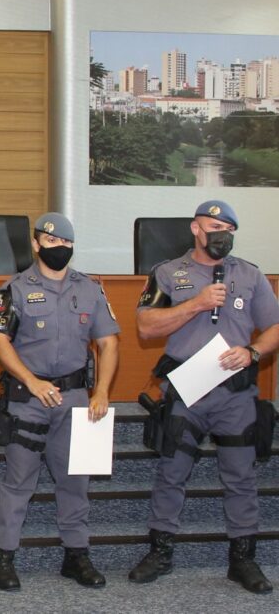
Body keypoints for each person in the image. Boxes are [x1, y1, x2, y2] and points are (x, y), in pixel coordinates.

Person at [130, 200, 279, 594]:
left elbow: (274, 327)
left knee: (241, 477)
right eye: (214, 226)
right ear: (196, 228)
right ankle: (160, 552)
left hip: (235, 394)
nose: (221, 235)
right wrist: (196, 303)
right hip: (186, 392)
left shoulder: (249, 275)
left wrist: (253, 352)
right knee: (171, 473)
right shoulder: (166, 273)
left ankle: (242, 560)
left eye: (228, 229)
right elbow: (146, 326)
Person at [0, 212, 119, 591]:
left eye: (66, 243)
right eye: (52, 241)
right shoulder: (14, 288)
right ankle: (5, 557)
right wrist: (31, 379)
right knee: (18, 481)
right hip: (28, 398)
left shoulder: (90, 288)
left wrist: (103, 391)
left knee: (75, 481)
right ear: (36, 243)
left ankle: (76, 555)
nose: (59, 248)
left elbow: (108, 342)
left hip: (76, 399)